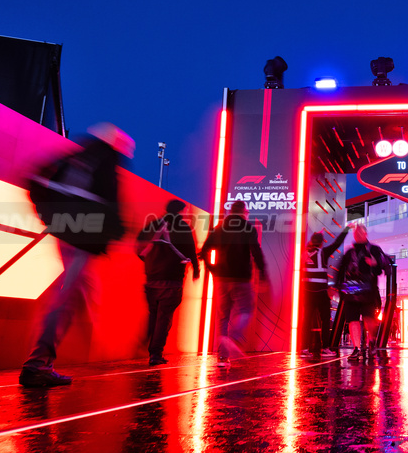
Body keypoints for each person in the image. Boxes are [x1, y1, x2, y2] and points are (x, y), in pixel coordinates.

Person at [20, 122, 134, 387]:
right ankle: (37, 363)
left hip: (65, 232)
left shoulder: (74, 155)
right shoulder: (107, 161)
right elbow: (110, 202)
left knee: (76, 291)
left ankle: (44, 359)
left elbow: (34, 178)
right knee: (66, 298)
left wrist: (48, 216)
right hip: (82, 239)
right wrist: (110, 236)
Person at [199, 200, 267, 362]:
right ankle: (233, 337)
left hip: (221, 277)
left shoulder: (219, 228)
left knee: (223, 316)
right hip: (241, 277)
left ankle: (223, 357)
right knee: (246, 310)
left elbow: (204, 251)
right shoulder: (248, 228)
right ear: (243, 211)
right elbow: (255, 251)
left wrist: (213, 269)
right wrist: (262, 272)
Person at [137, 199, 199, 365]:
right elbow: (191, 251)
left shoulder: (153, 224)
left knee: (154, 313)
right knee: (164, 317)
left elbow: (139, 247)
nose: (187, 214)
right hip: (172, 279)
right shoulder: (184, 227)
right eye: (185, 211)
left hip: (151, 278)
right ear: (180, 211)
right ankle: (155, 354)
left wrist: (150, 264)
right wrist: (196, 270)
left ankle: (146, 341)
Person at [335, 223, 389, 362]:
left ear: (365, 234)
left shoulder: (374, 249)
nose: (357, 234)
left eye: (360, 232)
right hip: (351, 289)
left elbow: (383, 265)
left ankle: (372, 340)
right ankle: (356, 348)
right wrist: (336, 286)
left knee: (368, 317)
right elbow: (341, 269)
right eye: (355, 232)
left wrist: (375, 263)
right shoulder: (349, 252)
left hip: (368, 288)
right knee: (352, 319)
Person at [302, 226, 349, 361]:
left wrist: (317, 236)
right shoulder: (323, 253)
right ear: (322, 243)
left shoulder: (305, 253)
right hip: (321, 292)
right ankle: (325, 348)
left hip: (307, 292)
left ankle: (304, 349)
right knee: (325, 320)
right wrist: (346, 229)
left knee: (306, 321)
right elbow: (337, 243)